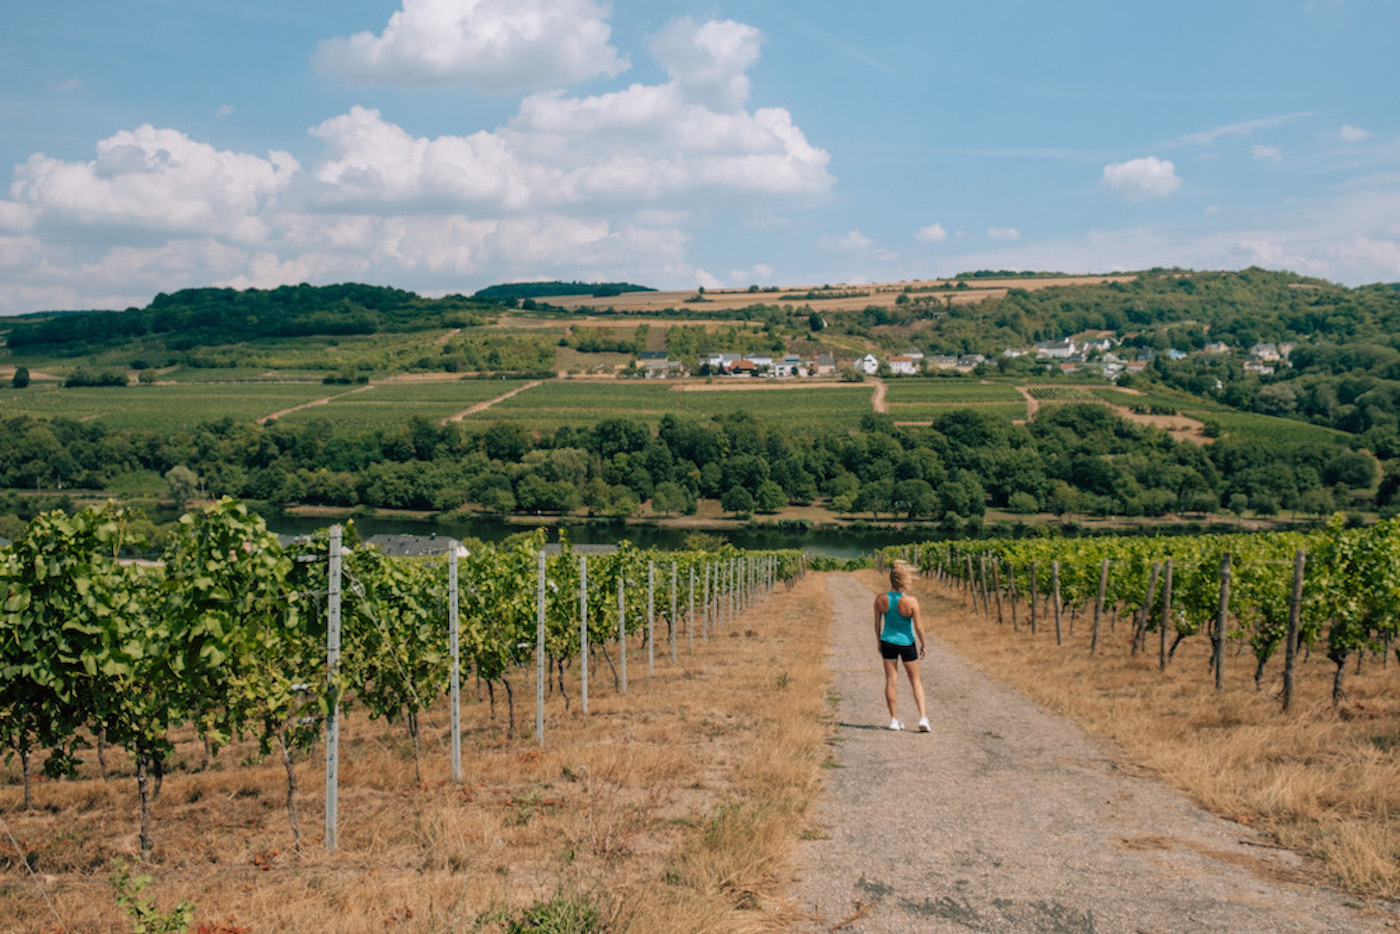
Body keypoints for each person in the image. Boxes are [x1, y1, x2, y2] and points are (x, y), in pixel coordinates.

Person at [874, 561, 928, 731]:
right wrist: (923, 644)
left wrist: (879, 640)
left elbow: (877, 623)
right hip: (907, 643)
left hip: (888, 642)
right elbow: (918, 627)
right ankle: (922, 718)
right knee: (916, 681)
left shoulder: (881, 599)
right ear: (904, 580)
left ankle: (894, 720)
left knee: (891, 680)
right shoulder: (911, 601)